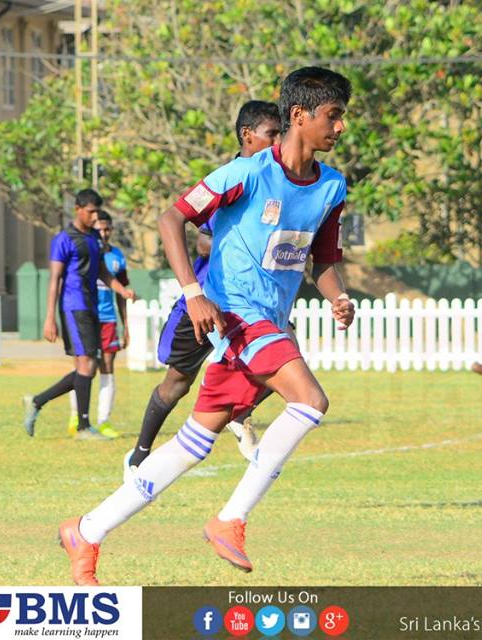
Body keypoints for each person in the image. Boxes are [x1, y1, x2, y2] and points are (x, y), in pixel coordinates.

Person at [59, 67, 354, 585]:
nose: (340, 128)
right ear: (300, 116)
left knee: (193, 445)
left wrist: (339, 297)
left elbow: (324, 259)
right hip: (235, 315)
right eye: (334, 116)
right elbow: (172, 219)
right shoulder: (243, 174)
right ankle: (231, 519)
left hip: (269, 322)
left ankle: (87, 530)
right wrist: (193, 293)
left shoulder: (332, 186)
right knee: (310, 400)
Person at [124, 100, 284, 477]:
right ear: (248, 135)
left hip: (249, 304)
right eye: (271, 134)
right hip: (208, 299)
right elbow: (200, 241)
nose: (278, 142)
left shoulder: (277, 179)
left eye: (281, 134)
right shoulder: (231, 177)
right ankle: (139, 454)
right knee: (177, 382)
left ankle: (239, 414)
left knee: (283, 360)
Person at [22, 189, 136, 439]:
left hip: (93, 306)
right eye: (91, 211)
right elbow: (55, 279)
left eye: (97, 210)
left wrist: (122, 290)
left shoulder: (95, 237)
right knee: (87, 365)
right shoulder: (64, 239)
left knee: (88, 366)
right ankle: (83, 426)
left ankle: (37, 401)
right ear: (78, 209)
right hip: (74, 306)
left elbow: (103, 273)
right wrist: (49, 317)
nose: (94, 215)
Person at [67, 211, 129, 439]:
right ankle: (76, 415)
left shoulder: (117, 256)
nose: (104, 233)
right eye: (99, 229)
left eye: (107, 229)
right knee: (82, 365)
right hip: (85, 316)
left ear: (111, 230)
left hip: (108, 319)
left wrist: (126, 327)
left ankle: (104, 420)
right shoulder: (85, 252)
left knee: (107, 366)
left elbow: (122, 292)